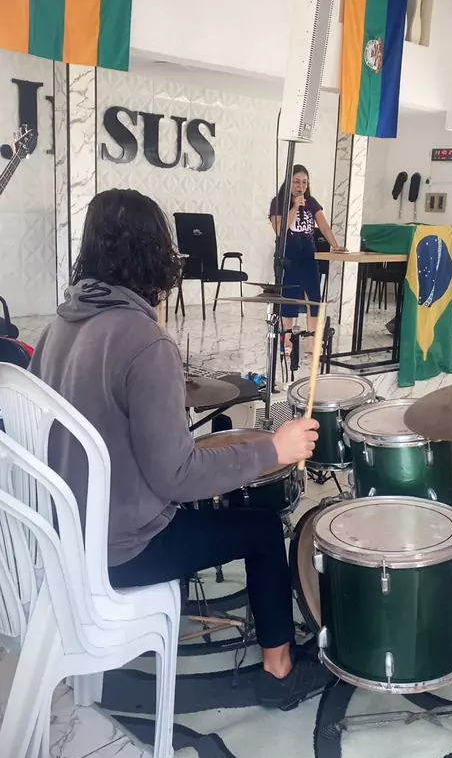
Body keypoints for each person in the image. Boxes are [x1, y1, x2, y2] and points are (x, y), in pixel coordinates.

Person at [29, 188, 327, 710]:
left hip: (61, 538)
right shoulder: (144, 341)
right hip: (120, 551)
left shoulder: (57, 328)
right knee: (261, 529)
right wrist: (273, 449)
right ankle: (279, 673)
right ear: (154, 251)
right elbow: (178, 476)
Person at [270, 164, 345, 352]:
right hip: (288, 255)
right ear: (289, 183)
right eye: (296, 182)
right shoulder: (278, 202)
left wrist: (335, 245)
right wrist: (295, 207)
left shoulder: (311, 202)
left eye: (304, 182)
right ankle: (288, 338)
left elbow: (324, 226)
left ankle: (312, 339)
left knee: (313, 297)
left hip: (308, 254)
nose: (300, 186)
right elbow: (279, 230)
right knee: (289, 296)